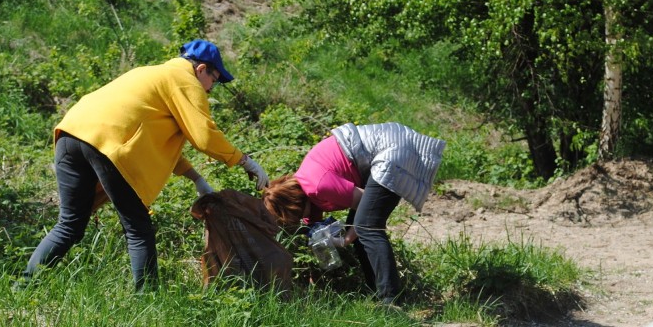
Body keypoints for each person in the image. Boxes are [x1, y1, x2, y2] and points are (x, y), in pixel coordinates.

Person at [24, 40, 269, 290]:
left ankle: (23, 287)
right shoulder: (184, 81)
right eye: (214, 80)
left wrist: (196, 178)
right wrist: (244, 160)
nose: (210, 89)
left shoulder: (149, 73)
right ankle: (147, 299)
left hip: (71, 134)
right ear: (201, 69)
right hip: (108, 145)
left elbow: (153, 142)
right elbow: (204, 137)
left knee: (69, 225)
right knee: (138, 229)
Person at [263, 122, 445, 303]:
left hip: (392, 148)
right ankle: (376, 293)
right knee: (361, 231)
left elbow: (363, 202)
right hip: (385, 149)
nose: (300, 219)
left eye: (296, 215)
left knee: (367, 228)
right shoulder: (309, 193)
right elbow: (316, 233)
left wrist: (346, 239)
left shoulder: (318, 186)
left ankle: (391, 300)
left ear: (295, 203)